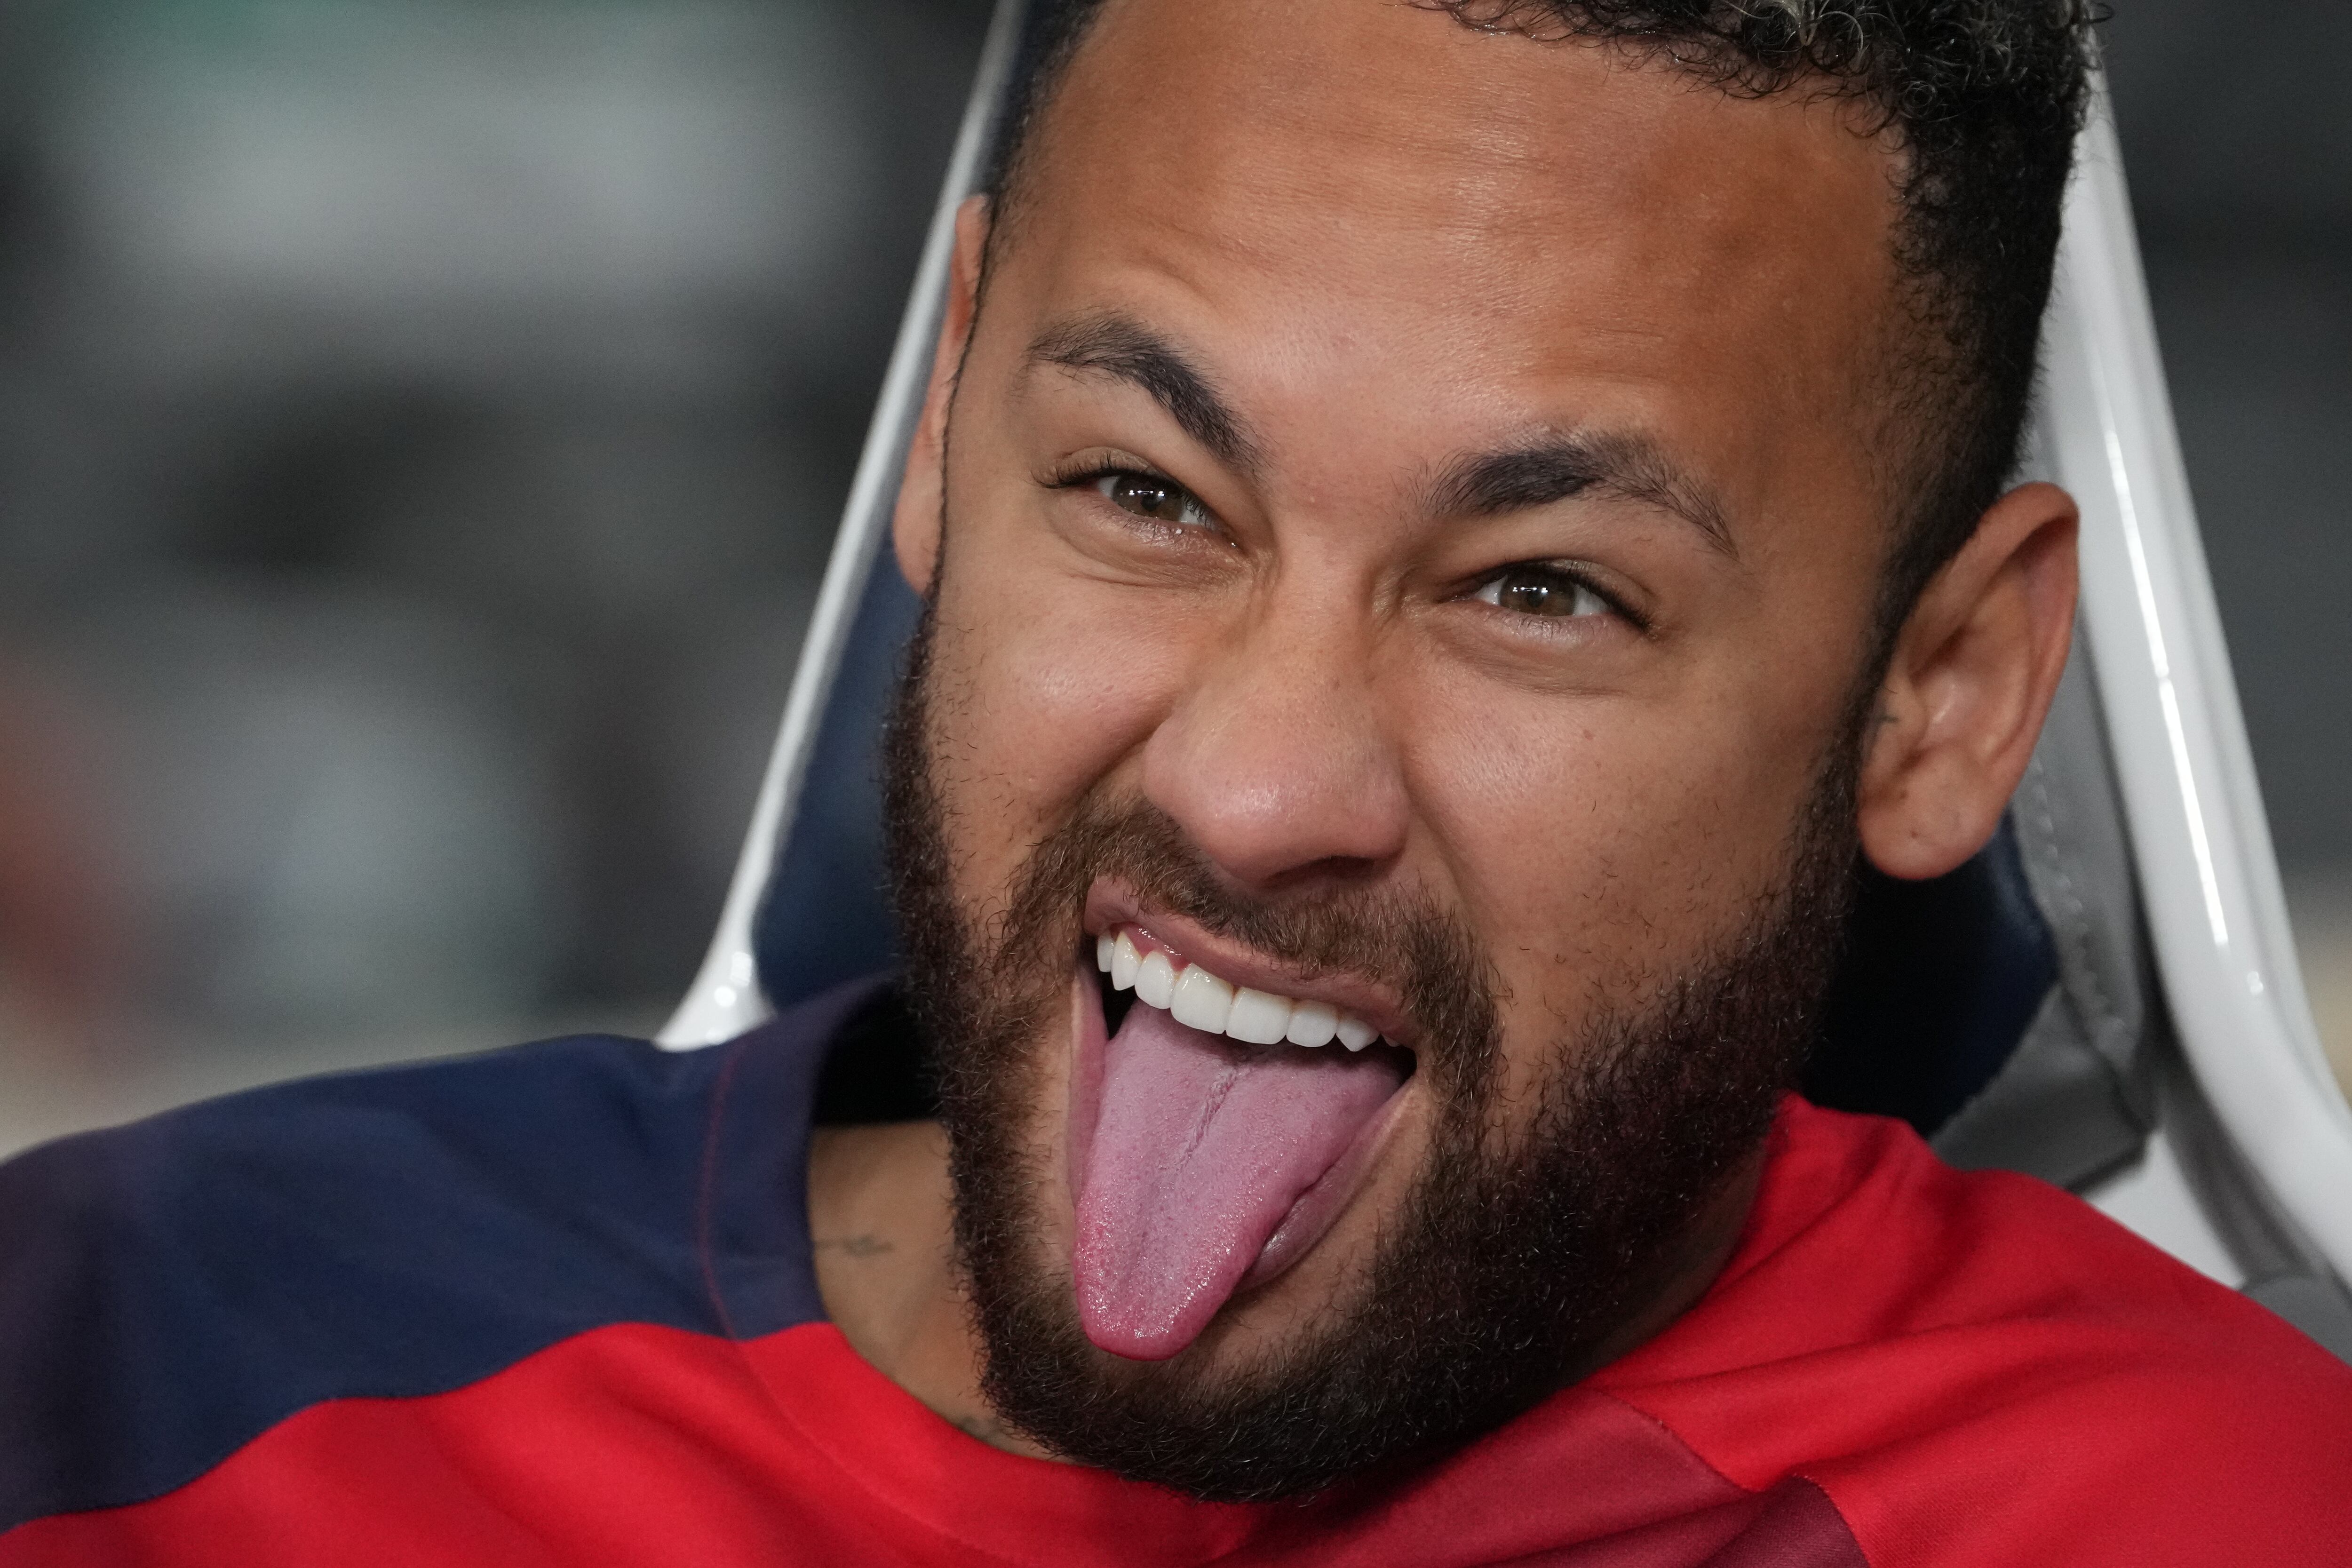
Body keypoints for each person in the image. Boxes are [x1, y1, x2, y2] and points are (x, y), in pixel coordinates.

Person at [4, 1, 2348, 1561]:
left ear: (1939, 690)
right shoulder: (142, 1356)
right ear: (945, 423)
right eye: (1142, 492)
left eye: (1539, 591)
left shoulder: (2194, 1515)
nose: (1249, 792)